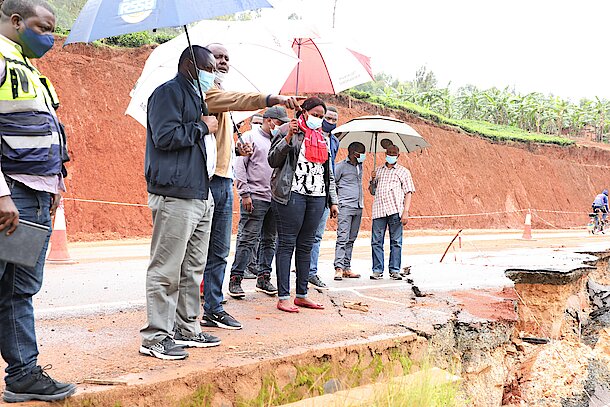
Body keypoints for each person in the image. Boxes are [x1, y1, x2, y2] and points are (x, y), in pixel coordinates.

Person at [0, 0, 76, 402]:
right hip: (12, 194)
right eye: (43, 28)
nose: (50, 37)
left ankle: (23, 375)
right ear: (16, 21)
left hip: (35, 194)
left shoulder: (26, 68)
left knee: (18, 288)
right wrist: (1, 193)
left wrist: (55, 186)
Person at [200, 43, 302, 330]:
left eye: (226, 58)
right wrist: (271, 97)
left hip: (223, 180)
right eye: (217, 57)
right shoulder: (207, 94)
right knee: (212, 247)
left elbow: (221, 144)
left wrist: (236, 150)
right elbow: (237, 99)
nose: (223, 61)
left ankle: (213, 308)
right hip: (209, 182)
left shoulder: (219, 96)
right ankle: (194, 306)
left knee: (220, 250)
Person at [140, 45, 222, 361]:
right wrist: (202, 126)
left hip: (200, 191)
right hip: (175, 193)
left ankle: (187, 328)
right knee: (166, 269)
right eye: (208, 68)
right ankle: (155, 337)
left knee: (192, 268)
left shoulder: (197, 97)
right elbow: (164, 137)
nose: (212, 73)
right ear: (189, 65)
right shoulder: (167, 93)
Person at [268, 97, 339, 313]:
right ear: (304, 112)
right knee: (286, 243)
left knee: (306, 245)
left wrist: (333, 200)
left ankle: (301, 295)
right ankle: (283, 297)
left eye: (321, 116)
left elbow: (328, 172)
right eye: (315, 114)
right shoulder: (286, 130)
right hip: (291, 194)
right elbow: (273, 160)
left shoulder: (322, 138)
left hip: (317, 195)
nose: (318, 119)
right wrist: (289, 136)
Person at [228, 106, 290, 298]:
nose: (281, 126)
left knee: (269, 240)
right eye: (279, 123)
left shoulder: (280, 141)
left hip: (275, 199)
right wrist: (245, 194)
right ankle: (236, 279)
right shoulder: (249, 137)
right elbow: (240, 167)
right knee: (248, 239)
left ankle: (263, 278)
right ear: (269, 120)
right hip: (255, 197)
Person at [368, 144, 415, 280]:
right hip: (379, 211)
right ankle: (377, 270)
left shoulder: (403, 172)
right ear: (385, 154)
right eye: (389, 153)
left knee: (396, 241)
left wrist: (406, 211)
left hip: (395, 210)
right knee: (376, 241)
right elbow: (372, 191)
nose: (391, 155)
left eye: (394, 153)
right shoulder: (378, 171)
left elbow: (408, 192)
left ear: (398, 155)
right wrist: (372, 180)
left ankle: (394, 270)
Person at [307, 106, 340, 289]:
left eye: (334, 119)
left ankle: (311, 272)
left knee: (317, 236)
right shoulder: (309, 135)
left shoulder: (334, 142)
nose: (331, 122)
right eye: (328, 118)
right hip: (306, 191)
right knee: (296, 236)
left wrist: (333, 200)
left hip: (324, 192)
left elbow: (330, 171)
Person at [333, 142, 366, 280]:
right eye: (361, 153)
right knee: (342, 237)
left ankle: (346, 267)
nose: (363, 156)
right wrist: (335, 202)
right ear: (354, 153)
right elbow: (332, 183)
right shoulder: (340, 166)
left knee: (351, 238)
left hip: (358, 206)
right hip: (345, 206)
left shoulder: (360, 166)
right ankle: (338, 268)